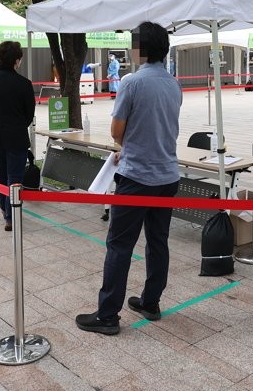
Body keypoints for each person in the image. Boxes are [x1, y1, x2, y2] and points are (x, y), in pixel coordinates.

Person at [76, 22, 182, 334]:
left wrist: (130, 147)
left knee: (120, 245)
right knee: (158, 242)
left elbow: (117, 132)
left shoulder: (132, 83)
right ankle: (150, 301)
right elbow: (159, 129)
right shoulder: (173, 84)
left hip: (136, 177)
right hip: (167, 176)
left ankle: (107, 315)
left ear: (141, 48)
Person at [0, 41, 35, 232]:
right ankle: (13, 214)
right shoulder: (24, 84)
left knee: (0, 175)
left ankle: (5, 212)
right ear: (17, 60)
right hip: (17, 137)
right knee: (15, 177)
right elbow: (29, 115)